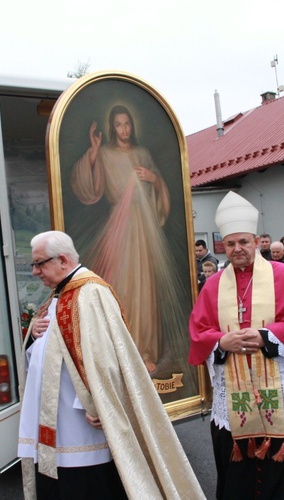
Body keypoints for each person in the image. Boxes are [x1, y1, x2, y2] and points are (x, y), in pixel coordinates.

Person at [18, 231, 203, 499]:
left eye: (39, 263)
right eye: (33, 265)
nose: (35, 272)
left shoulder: (90, 294)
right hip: (53, 419)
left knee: (87, 486)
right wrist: (34, 337)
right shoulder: (58, 294)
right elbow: (51, 351)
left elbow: (106, 361)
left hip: (80, 422)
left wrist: (97, 403)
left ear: (62, 260)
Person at [188, 192, 284, 499]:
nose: (237, 249)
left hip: (276, 391)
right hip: (233, 395)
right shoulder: (213, 284)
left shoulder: (282, 274)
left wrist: (266, 336)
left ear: (256, 241)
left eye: (243, 242)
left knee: (282, 473)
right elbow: (198, 333)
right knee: (237, 475)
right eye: (230, 243)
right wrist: (222, 340)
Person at [71, 104, 187, 374]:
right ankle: (123, 348)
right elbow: (89, 187)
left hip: (145, 231)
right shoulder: (106, 153)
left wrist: (155, 180)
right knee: (122, 284)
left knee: (146, 287)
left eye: (127, 124)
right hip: (119, 228)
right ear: (112, 128)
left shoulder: (143, 153)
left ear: (132, 126)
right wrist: (94, 150)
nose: (124, 129)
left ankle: (146, 350)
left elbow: (159, 190)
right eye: (118, 125)